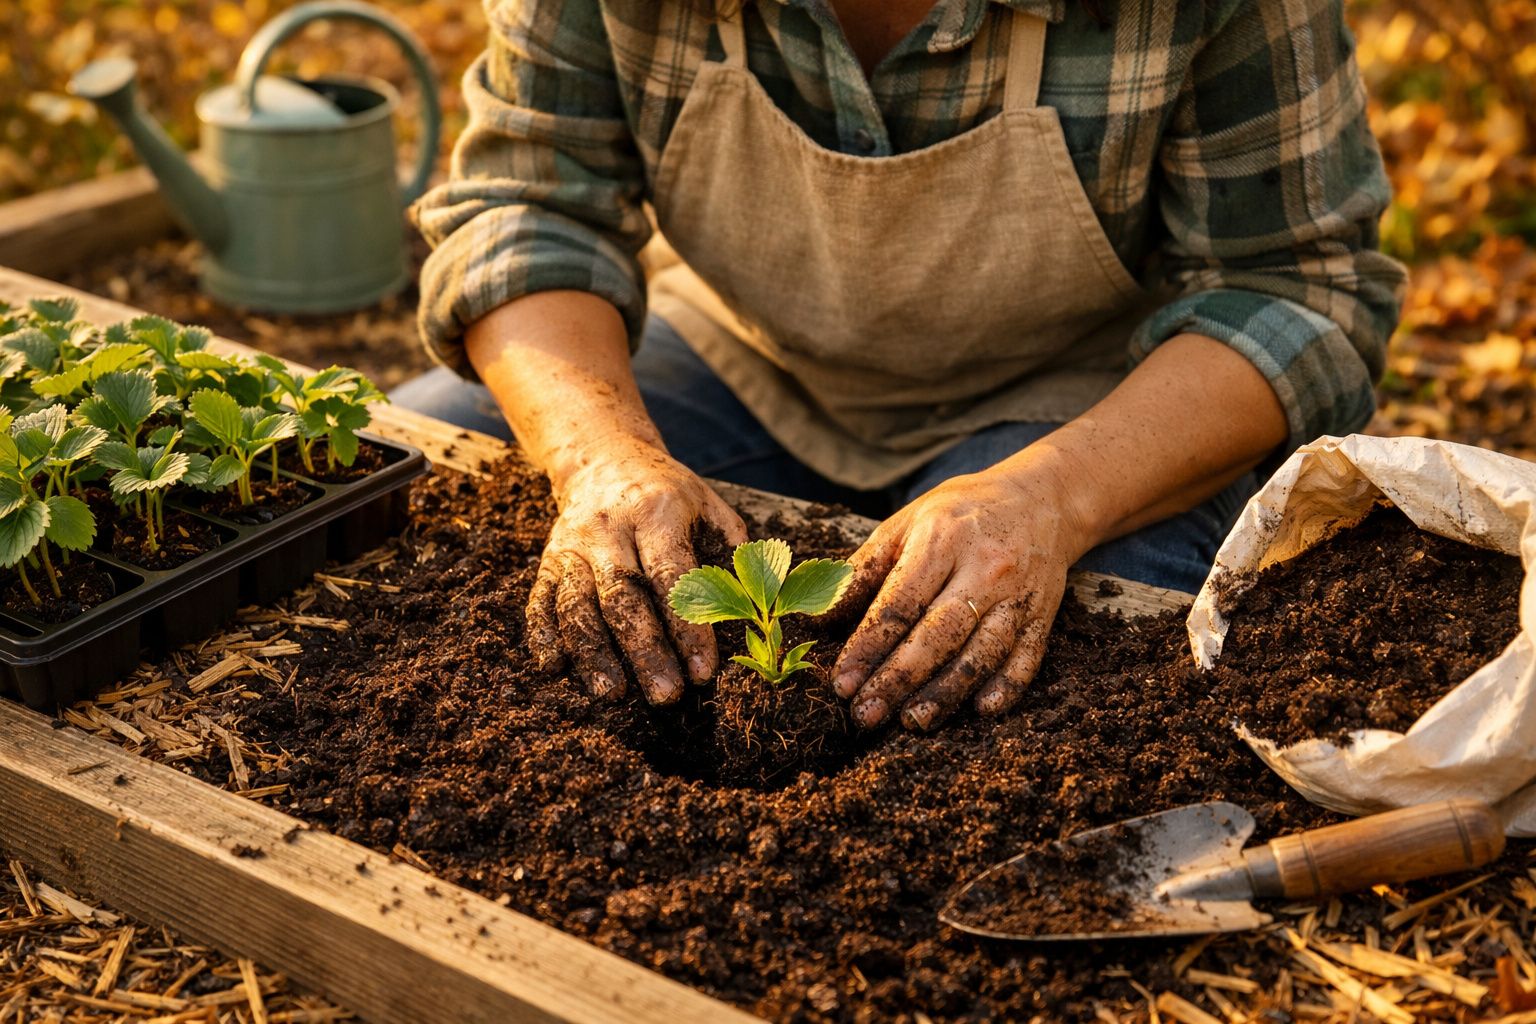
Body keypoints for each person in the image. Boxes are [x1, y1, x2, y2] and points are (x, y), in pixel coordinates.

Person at [394, 0, 1406, 732]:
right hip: (739, 353)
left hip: (1075, 407)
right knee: (424, 476)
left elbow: (1295, 292)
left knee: (1075, 683)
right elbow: (527, 208)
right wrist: (601, 456)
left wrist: (1050, 498)